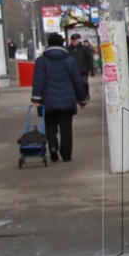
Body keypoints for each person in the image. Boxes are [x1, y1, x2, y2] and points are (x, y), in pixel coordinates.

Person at [30, 33, 89, 163]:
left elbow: (38, 81)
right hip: (67, 101)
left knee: (50, 126)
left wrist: (36, 99)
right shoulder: (70, 60)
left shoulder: (41, 61)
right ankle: (66, 154)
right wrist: (82, 99)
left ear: (49, 43)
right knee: (66, 128)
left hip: (48, 101)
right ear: (62, 43)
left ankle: (52, 147)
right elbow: (77, 81)